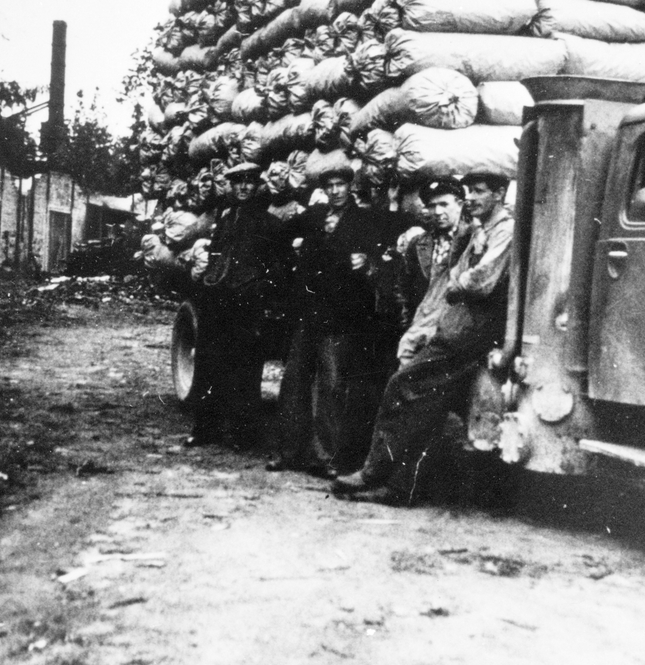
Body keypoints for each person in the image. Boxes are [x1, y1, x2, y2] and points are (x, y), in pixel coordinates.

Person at [333, 168, 514, 505]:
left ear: (500, 194)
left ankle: (374, 471)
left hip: (468, 332)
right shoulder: (479, 231)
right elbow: (457, 273)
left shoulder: (503, 231)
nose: (472, 198)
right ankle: (400, 487)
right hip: (457, 324)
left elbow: (480, 281)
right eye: (470, 192)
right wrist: (460, 282)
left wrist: (461, 284)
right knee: (428, 403)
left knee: (402, 384)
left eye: (478, 192)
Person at [267, 164, 390, 477]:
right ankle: (288, 452)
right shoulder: (314, 215)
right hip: (307, 312)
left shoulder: (364, 219)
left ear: (350, 187)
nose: (335, 191)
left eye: (341, 185)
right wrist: (289, 266)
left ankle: (326, 457)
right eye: (330, 185)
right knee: (293, 383)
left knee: (331, 387)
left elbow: (379, 256)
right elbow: (280, 235)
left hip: (339, 316)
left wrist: (368, 263)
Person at [186, 161, 290, 450]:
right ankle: (206, 429)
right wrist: (208, 280)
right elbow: (217, 259)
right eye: (238, 182)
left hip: (248, 306)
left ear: (258, 186)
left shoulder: (271, 225)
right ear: (230, 186)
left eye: (249, 181)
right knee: (208, 365)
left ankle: (244, 434)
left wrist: (263, 294)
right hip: (218, 302)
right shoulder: (225, 221)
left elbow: (280, 271)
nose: (243, 187)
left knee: (245, 370)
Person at [394, 177, 470, 368]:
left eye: (444, 204)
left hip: (455, 335)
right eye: (432, 205)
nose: (437, 212)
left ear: (460, 204)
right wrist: (409, 325)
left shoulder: (471, 240)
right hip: (421, 332)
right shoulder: (418, 244)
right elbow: (405, 290)